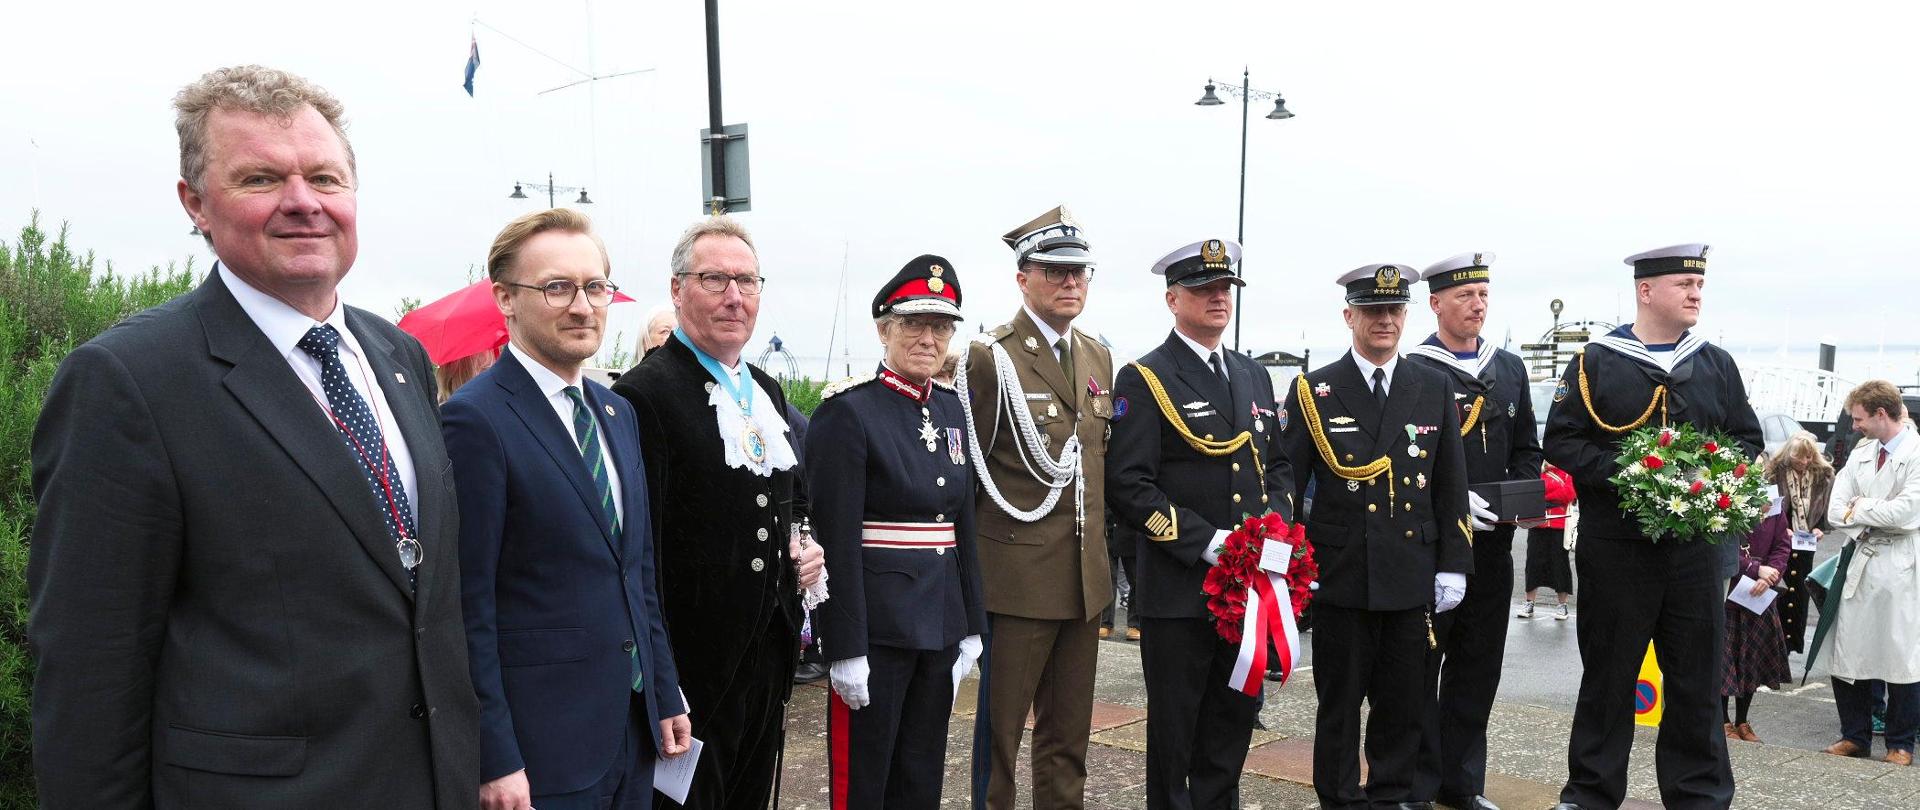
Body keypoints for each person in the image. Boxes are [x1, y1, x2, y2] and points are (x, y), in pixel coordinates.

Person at [26, 65, 480, 807]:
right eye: (262, 179)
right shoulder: (127, 381)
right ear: (195, 204)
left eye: (325, 178)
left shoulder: (399, 357)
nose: (304, 203)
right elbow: (89, 668)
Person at [444, 208, 692, 809]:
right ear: (504, 297)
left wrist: (664, 692)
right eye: (557, 287)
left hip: (631, 732)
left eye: (596, 287)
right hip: (541, 751)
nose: (582, 306)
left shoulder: (616, 413)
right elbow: (466, 605)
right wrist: (493, 755)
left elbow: (636, 572)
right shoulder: (475, 420)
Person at [609, 216, 825, 810]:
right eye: (715, 280)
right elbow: (639, 553)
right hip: (693, 667)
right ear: (677, 290)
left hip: (769, 656)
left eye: (747, 281)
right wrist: (661, 682)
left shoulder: (766, 390)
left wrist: (804, 545)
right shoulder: (642, 395)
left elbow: (792, 497)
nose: (735, 296)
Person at [1545, 244, 1762, 809]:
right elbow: (1562, 440)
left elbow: (1746, 438)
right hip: (1616, 549)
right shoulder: (1596, 360)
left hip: (1692, 551)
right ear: (1646, 291)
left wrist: (1709, 479)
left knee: (1694, 681)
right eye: (1684, 285)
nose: (1696, 294)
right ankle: (1590, 794)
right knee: (1608, 679)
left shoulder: (1714, 362)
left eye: (1699, 286)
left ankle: (1699, 795)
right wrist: (1630, 477)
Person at [1106, 238, 1297, 810]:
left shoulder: (1253, 374)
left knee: (1232, 722)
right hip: (1181, 587)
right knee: (1175, 733)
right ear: (1172, 299)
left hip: (1251, 589)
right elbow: (1129, 484)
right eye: (1203, 289)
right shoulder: (1145, 377)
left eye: (1225, 289)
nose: (1218, 298)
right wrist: (1204, 540)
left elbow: (1278, 464)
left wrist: (1277, 527)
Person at [1277, 262, 1471, 810]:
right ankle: (1339, 800)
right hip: (1341, 574)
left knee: (1402, 704)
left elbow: (1450, 483)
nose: (1384, 320)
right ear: (1349, 316)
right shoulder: (1314, 390)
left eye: (1393, 310)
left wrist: (1454, 562)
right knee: (1338, 705)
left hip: (1411, 573)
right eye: (1372, 310)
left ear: (1406, 315)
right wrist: (1286, 564)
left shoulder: (1431, 387)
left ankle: (1390, 798)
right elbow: (1285, 482)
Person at [809, 255, 987, 809]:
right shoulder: (849, 412)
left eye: (941, 326)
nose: (928, 338)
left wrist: (971, 625)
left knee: (920, 779)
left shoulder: (955, 410)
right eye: (914, 323)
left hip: (938, 625)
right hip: (878, 634)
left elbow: (962, 526)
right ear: (884, 328)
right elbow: (834, 537)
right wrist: (844, 646)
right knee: (865, 783)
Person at [961, 205, 1115, 810]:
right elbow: (970, 473)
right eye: (1054, 271)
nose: (1070, 283)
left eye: (1080, 272)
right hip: (1016, 581)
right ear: (1022, 278)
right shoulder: (989, 357)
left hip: (1083, 582)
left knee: (1068, 737)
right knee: (999, 736)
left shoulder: (1099, 357)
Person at [1404, 252, 1542, 810]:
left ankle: (1462, 783)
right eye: (1465, 296)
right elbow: (1402, 455)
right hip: (1433, 547)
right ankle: (1413, 783)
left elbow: (1530, 447)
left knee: (1478, 668)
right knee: (1419, 666)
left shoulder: (1507, 368)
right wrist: (1452, 499)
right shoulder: (1415, 368)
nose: (1477, 305)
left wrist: (1520, 493)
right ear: (1436, 303)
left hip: (1492, 544)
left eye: (1484, 295)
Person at [1819, 379, 1920, 766]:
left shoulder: (1914, 453)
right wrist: (1872, 511)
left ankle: (1900, 744)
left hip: (1901, 564)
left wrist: (1859, 509)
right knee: (1850, 651)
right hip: (1862, 558)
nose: (1854, 425)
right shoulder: (1862, 451)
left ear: (1881, 414)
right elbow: (1834, 509)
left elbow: (1907, 513)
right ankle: (1854, 736)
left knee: (1901, 655)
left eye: (1859, 418)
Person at [1721, 490, 1791, 745]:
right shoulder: (1727, 498)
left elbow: (1782, 544)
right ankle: (1722, 721)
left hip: (1758, 593)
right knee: (1725, 659)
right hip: (1729, 588)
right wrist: (1752, 569)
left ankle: (1742, 721)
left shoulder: (1774, 506)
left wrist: (1769, 575)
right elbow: (1718, 544)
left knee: (1751, 659)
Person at [1767, 431, 1833, 654]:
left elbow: (1827, 509)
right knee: (1779, 588)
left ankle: (1793, 643)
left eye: (1808, 458)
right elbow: (1767, 507)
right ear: (1789, 455)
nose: (1804, 462)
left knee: (1800, 592)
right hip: (1781, 542)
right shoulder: (1775, 473)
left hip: (1806, 542)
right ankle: (1775, 646)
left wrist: (1820, 528)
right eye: (1798, 458)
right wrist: (1779, 527)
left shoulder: (1823, 475)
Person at [1521, 462, 1577, 620]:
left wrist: (1546, 493)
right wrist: (1553, 494)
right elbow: (1533, 493)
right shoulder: (1538, 472)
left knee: (1560, 565)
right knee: (1532, 564)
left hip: (1559, 525)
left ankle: (1563, 605)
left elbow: (1569, 494)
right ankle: (1529, 602)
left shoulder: (1567, 472)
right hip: (1538, 523)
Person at [1101, 523, 1143, 641]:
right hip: (1107, 525)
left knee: (1136, 579)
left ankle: (1136, 624)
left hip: (1131, 526)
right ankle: (1105, 623)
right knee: (1107, 577)